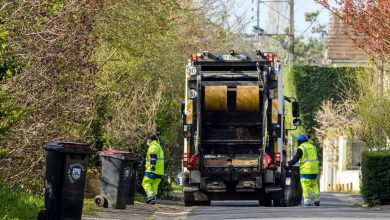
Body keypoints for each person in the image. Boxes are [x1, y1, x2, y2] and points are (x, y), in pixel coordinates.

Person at [286, 134, 320, 207]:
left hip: (306, 170)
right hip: (315, 169)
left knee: (306, 185)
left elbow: (296, 158)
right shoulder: (313, 147)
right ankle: (317, 200)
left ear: (300, 142)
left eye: (297, 141)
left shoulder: (301, 148)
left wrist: (289, 163)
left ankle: (307, 201)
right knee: (314, 184)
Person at [142, 133, 164, 205]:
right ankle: (152, 199)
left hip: (152, 170)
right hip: (160, 171)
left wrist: (152, 165)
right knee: (154, 185)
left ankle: (150, 197)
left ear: (150, 140)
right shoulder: (159, 147)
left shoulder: (153, 146)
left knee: (146, 182)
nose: (147, 141)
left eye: (148, 140)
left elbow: (153, 156)